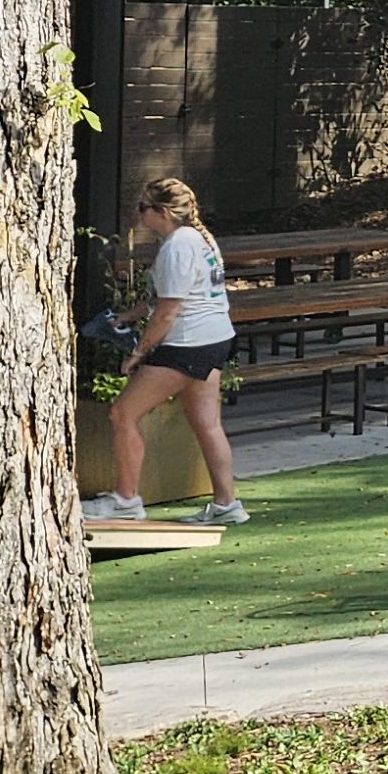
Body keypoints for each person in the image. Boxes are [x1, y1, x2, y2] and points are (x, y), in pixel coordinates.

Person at [99, 176, 246, 526]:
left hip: (187, 344)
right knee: (207, 423)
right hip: (214, 339)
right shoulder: (197, 238)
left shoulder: (178, 246)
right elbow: (164, 299)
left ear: (161, 212)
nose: (138, 214)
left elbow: (169, 311)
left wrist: (139, 352)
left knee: (123, 414)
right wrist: (129, 316)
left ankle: (126, 500)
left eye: (143, 208)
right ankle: (227, 504)